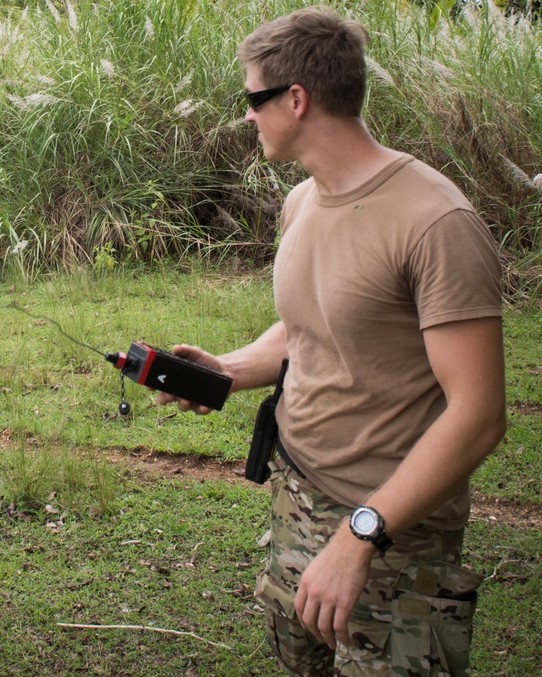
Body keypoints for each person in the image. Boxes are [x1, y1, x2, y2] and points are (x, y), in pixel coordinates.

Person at [157, 8, 506, 676]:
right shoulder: (302, 202)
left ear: (296, 98)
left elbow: (479, 414)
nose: (247, 116)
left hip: (395, 540)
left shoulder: (436, 221)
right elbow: (304, 332)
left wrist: (360, 535)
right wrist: (227, 370)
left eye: (253, 99)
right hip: (297, 502)